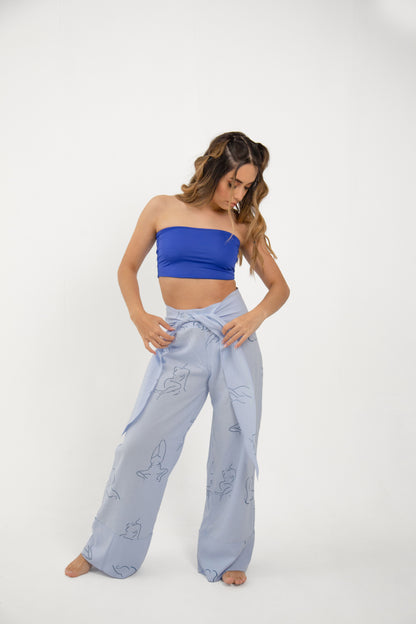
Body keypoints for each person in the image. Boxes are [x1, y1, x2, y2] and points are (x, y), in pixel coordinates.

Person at [65, 131, 290, 585]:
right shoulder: (162, 208)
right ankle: (105, 550)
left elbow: (279, 288)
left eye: (247, 186)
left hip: (233, 339)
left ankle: (229, 556)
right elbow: (127, 268)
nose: (238, 194)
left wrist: (254, 318)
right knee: (139, 443)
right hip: (179, 340)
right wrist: (138, 315)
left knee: (235, 450)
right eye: (233, 182)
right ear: (212, 169)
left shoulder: (241, 224)